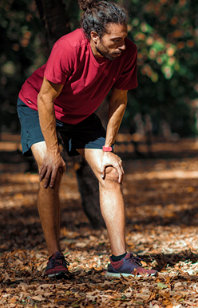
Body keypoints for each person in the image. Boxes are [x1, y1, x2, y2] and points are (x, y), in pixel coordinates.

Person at [16, 0, 156, 278]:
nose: (123, 45)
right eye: (116, 40)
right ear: (94, 36)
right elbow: (46, 98)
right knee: (52, 170)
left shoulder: (126, 53)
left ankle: (119, 260)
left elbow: (119, 100)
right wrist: (54, 152)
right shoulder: (68, 47)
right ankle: (55, 259)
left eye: (125, 38)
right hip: (38, 106)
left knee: (110, 172)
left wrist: (108, 147)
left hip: (80, 115)